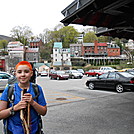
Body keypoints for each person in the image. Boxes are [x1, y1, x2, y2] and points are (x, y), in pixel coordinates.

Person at [0, 61, 47, 134]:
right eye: (19, 72)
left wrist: (33, 103)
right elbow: (1, 115)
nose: (23, 75)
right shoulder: (9, 90)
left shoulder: (37, 89)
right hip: (13, 131)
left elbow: (43, 112)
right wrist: (15, 108)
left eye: (26, 72)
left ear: (31, 73)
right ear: (15, 74)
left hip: (34, 131)